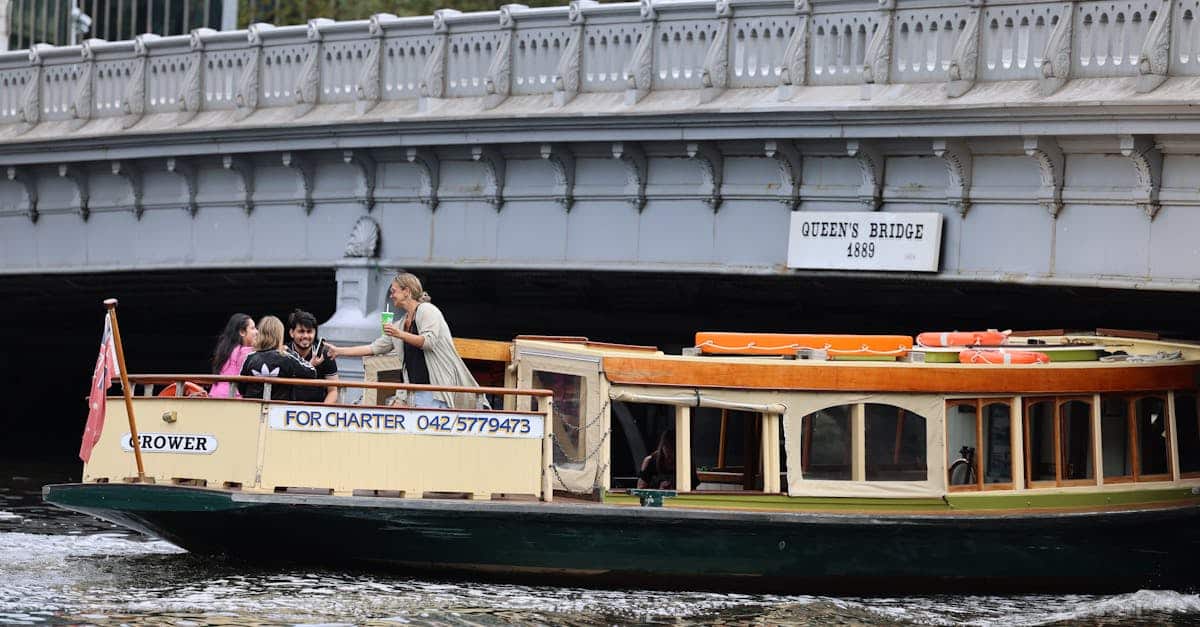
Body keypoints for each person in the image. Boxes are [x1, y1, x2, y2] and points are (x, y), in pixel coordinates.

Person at [326, 272, 487, 409]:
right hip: (411, 392)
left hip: (435, 393)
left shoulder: (427, 310)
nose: (391, 295)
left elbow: (428, 342)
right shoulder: (401, 324)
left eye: (393, 291)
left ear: (407, 292)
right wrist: (339, 351)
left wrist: (399, 334)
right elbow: (374, 348)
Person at [239, 315, 318, 401]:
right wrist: (290, 352)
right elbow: (311, 372)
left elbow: (241, 387)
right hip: (279, 409)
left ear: (260, 333)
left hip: (253, 407)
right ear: (279, 335)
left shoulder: (250, 357)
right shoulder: (286, 357)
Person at [286, 309, 338, 404]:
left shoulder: (324, 354)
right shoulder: (283, 353)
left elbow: (333, 391)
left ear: (315, 333)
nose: (305, 335)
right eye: (301, 331)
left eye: (309, 332)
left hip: (316, 411)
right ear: (291, 333)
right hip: (287, 410)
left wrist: (321, 411)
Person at [210, 314, 257, 399]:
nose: (257, 332)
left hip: (215, 395)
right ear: (242, 332)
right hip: (233, 398)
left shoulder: (224, 349)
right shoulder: (246, 352)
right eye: (253, 328)